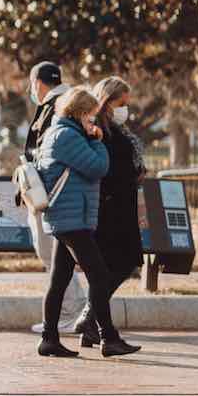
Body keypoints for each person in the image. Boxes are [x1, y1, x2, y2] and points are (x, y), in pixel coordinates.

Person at [34, 87, 140, 358]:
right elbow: (98, 167)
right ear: (80, 113)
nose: (94, 122)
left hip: (68, 215)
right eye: (91, 117)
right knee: (100, 276)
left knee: (59, 279)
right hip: (71, 218)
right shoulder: (68, 136)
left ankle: (49, 338)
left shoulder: (59, 132)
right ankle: (108, 338)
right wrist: (97, 140)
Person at [23, 61, 88, 335]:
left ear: (37, 83)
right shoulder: (68, 101)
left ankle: (73, 311)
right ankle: (79, 312)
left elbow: (47, 151)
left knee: (51, 252)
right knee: (59, 256)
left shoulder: (55, 106)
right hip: (62, 193)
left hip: (51, 194)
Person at [84, 75, 146, 345]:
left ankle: (91, 325)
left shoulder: (117, 129)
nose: (125, 109)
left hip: (123, 203)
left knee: (118, 265)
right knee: (117, 264)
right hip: (109, 207)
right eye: (122, 103)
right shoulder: (97, 128)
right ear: (108, 101)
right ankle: (90, 321)